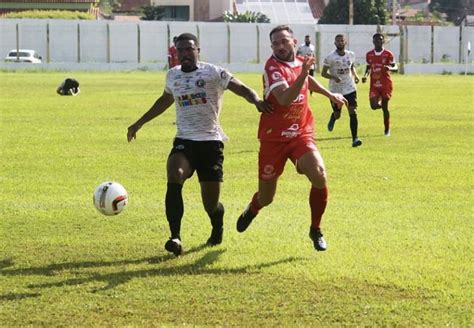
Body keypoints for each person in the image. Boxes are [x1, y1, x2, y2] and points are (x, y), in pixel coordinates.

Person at [127, 33, 272, 257]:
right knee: (175, 175)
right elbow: (165, 100)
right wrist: (139, 123)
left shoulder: (212, 72)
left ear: (197, 51)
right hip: (185, 141)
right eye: (180, 51)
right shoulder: (172, 76)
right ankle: (175, 237)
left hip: (211, 144)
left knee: (211, 205)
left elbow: (240, 87)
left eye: (189, 49)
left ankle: (217, 225)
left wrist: (256, 101)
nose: (184, 54)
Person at [236, 25, 347, 252]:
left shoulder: (299, 62)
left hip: (300, 132)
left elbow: (307, 83)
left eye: (284, 41)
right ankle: (254, 207)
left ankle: (315, 229)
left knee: (319, 175)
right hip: (273, 139)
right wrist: (304, 73)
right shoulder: (272, 67)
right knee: (267, 197)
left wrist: (330, 94)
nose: (280, 46)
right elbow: (285, 98)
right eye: (275, 43)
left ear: (294, 42)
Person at [321, 34, 362, 148]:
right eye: (337, 41)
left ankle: (355, 139)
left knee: (353, 111)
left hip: (349, 87)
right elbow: (323, 73)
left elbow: (351, 66)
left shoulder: (351, 54)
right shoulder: (330, 57)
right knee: (338, 114)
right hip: (335, 90)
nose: (340, 42)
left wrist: (356, 75)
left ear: (345, 42)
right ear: (335, 43)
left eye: (341, 41)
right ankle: (333, 117)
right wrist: (334, 77)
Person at [361, 33, 398, 136]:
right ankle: (380, 103)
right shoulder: (369, 54)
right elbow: (368, 68)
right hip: (374, 85)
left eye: (380, 40)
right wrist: (365, 76)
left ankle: (387, 129)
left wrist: (390, 68)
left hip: (385, 84)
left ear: (383, 41)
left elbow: (395, 67)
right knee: (373, 106)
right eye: (376, 40)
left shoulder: (388, 54)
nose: (378, 41)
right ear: (373, 41)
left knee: (385, 107)